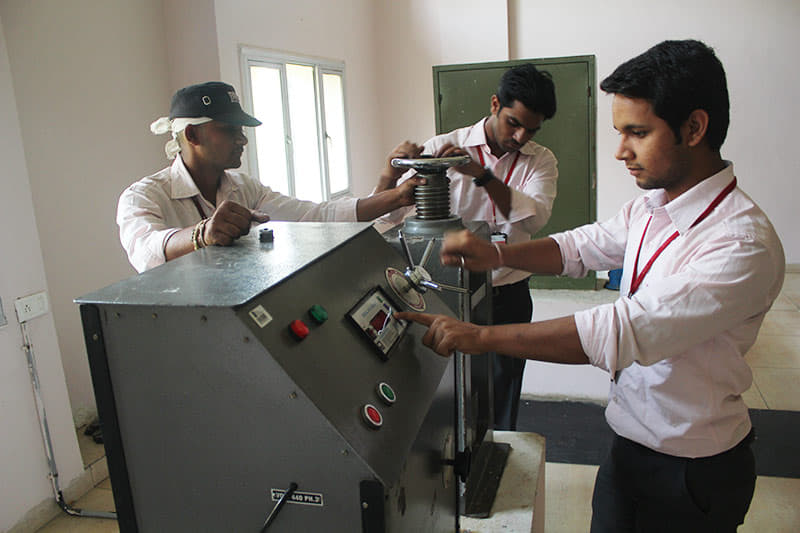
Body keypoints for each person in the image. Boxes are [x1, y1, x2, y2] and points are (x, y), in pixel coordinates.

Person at [397, 40, 785, 532]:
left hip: (692, 472)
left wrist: (478, 337)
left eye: (637, 133)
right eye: (620, 132)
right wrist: (495, 253)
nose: (621, 151)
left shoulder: (739, 243)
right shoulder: (652, 206)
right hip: (629, 447)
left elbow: (622, 330)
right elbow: (580, 247)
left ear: (694, 127)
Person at [376, 64, 558, 430]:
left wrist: (482, 176)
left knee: (501, 390)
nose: (521, 136)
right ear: (495, 104)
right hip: (442, 293)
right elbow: (386, 215)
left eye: (532, 129)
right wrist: (388, 176)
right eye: (513, 122)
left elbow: (534, 218)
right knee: (441, 386)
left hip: (506, 294)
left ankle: (497, 460)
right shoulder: (441, 148)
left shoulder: (541, 161)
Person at [117, 81, 423, 273]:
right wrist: (202, 234)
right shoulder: (144, 196)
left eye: (242, 131)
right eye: (229, 130)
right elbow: (145, 249)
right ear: (192, 134)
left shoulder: (243, 188)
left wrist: (397, 196)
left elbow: (316, 215)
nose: (242, 140)